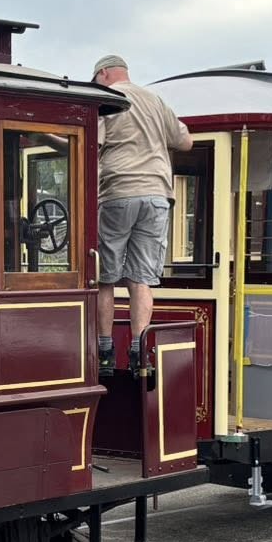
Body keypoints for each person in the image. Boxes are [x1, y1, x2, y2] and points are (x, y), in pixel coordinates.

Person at [91, 54, 192, 374]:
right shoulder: (156, 100)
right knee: (141, 280)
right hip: (158, 196)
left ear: (103, 74)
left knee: (105, 278)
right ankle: (138, 351)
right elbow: (185, 141)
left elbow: (91, 142)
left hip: (118, 192)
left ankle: (105, 352)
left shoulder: (107, 100)